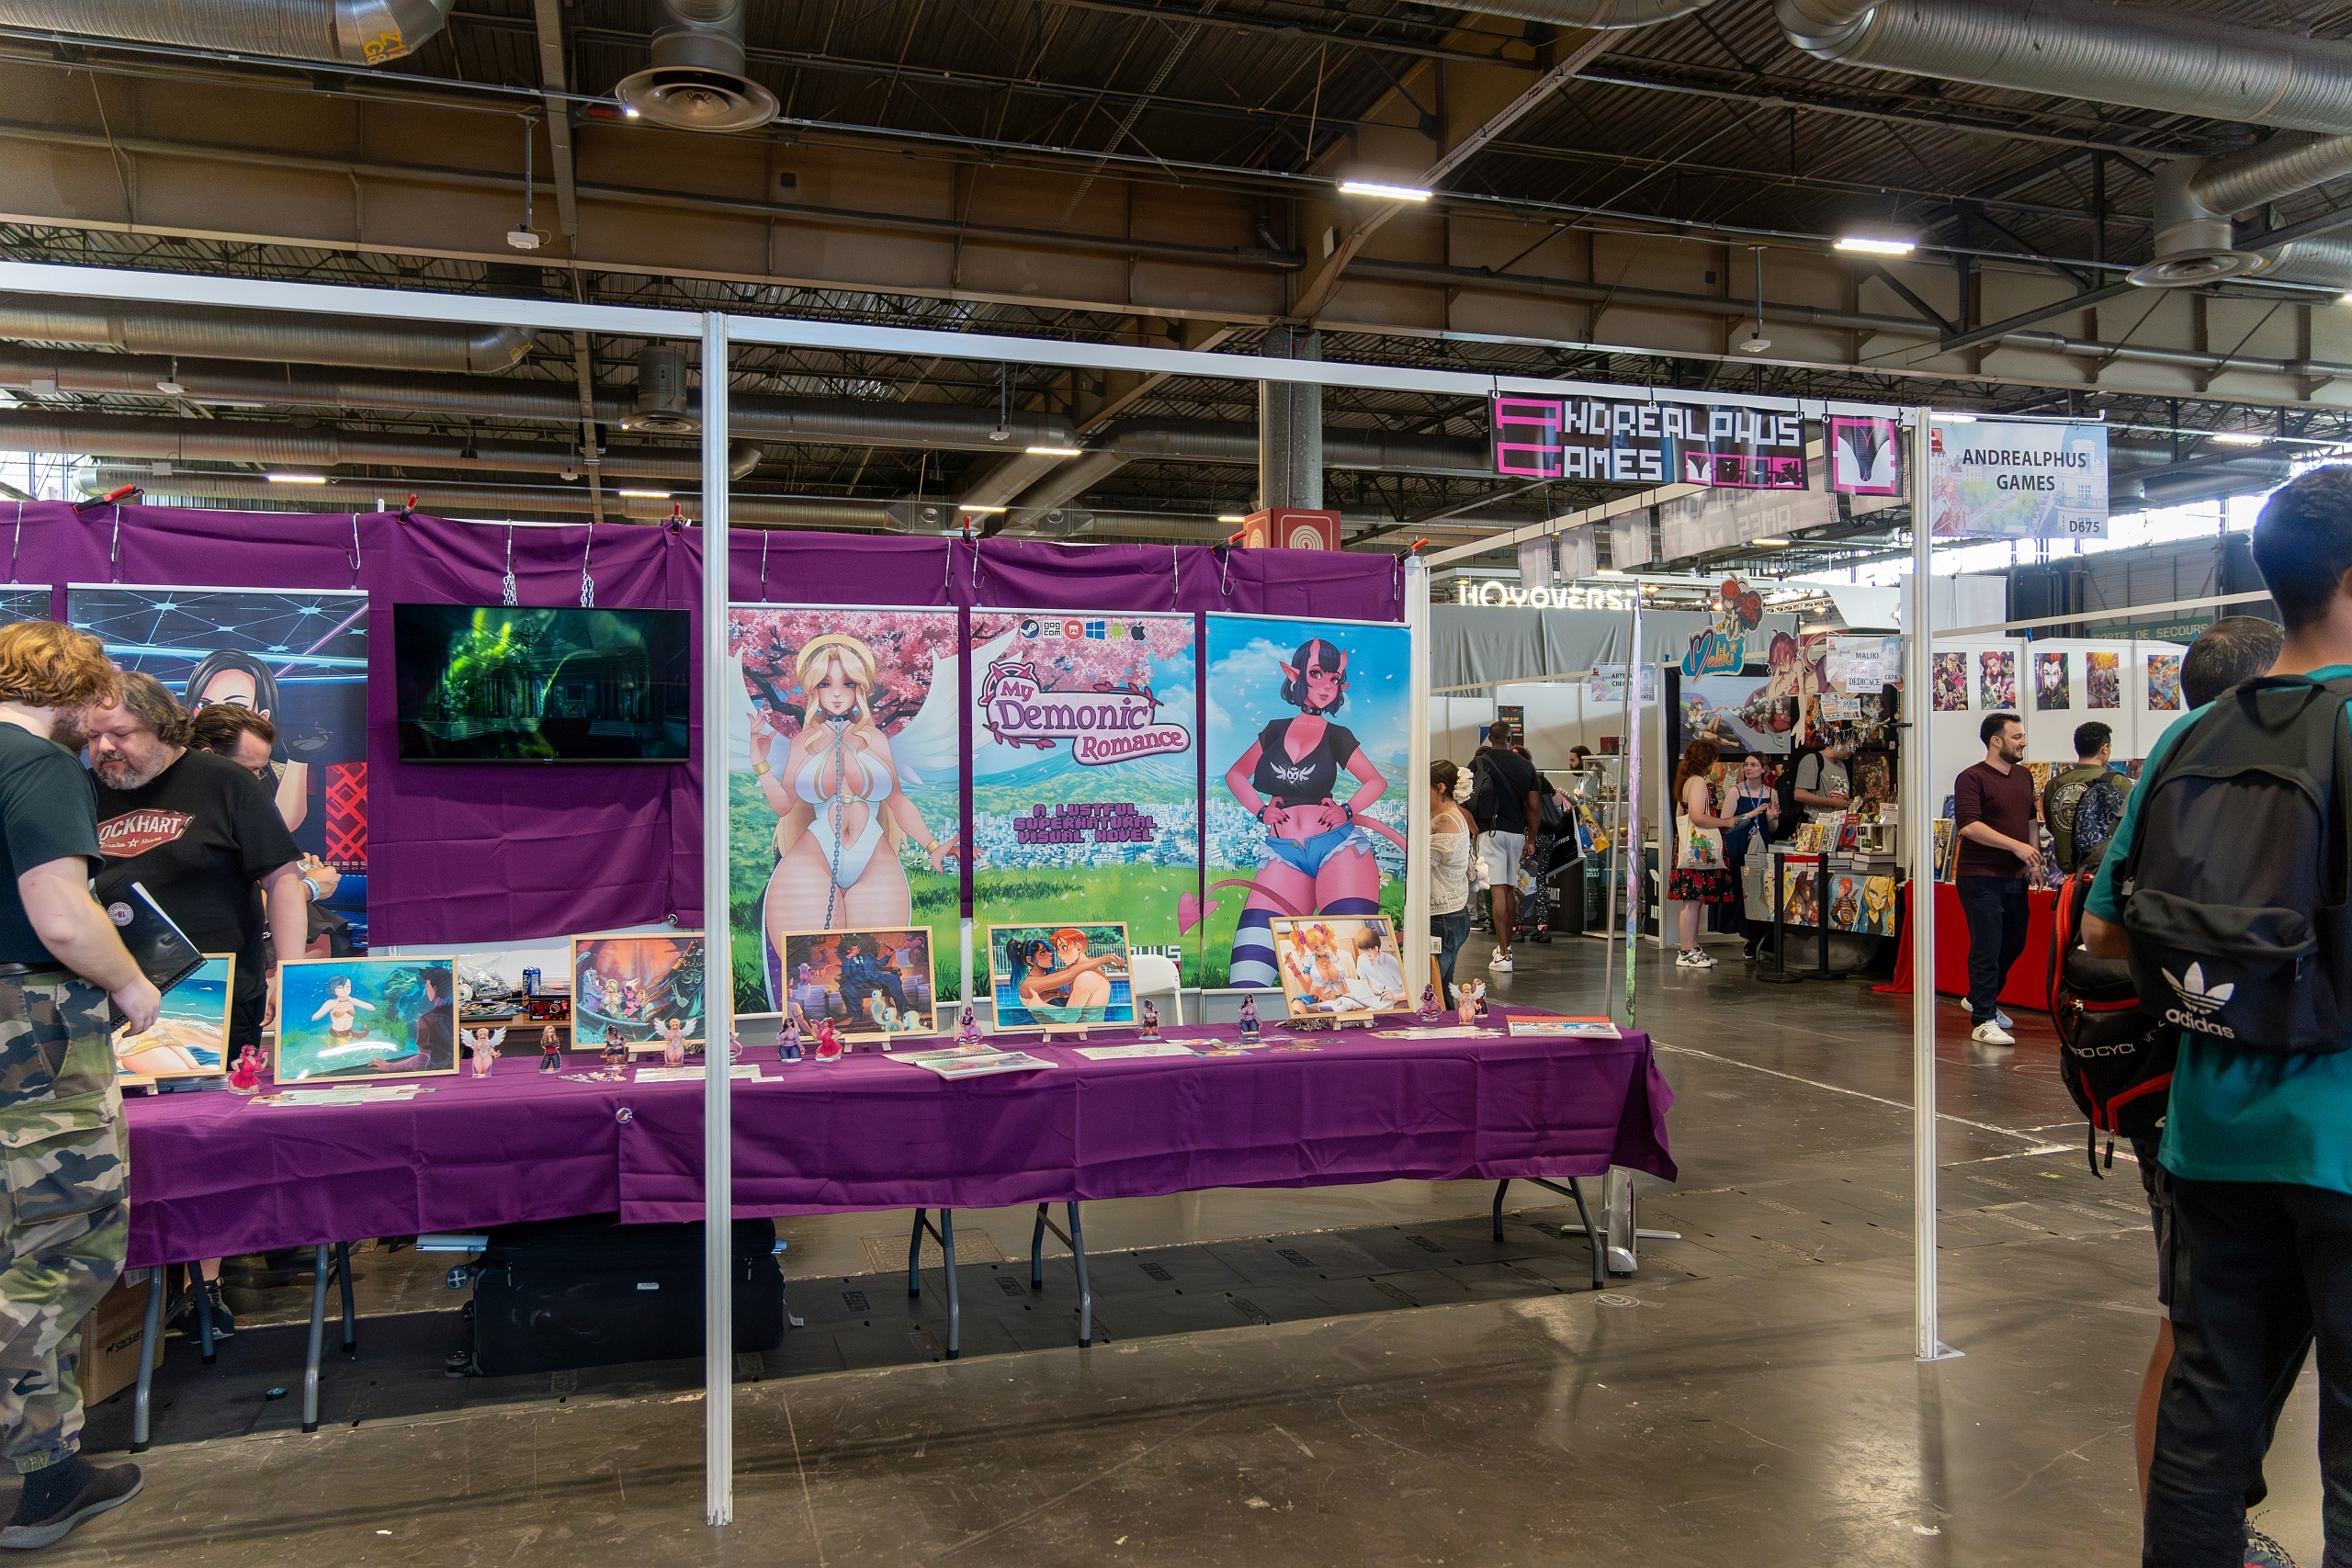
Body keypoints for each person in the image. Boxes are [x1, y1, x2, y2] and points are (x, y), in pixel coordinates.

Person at [2086, 469, 2352, 1568]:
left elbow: (2101, 932)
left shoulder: (2187, 739)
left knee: (2207, 1417)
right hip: (2341, 1138)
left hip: (2212, 1135)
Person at [2114, 610, 2295, 1548]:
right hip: (2283, 1109)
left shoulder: (2176, 755)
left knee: (2193, 1344)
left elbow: (2102, 924)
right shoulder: (2303, 738)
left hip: (2189, 1102)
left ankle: (2190, 1531)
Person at [0, 621, 156, 1548]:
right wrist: (131, 983)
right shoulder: (37, 763)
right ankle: (41, 1479)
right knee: (62, 1249)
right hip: (35, 1029)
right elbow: (62, 915)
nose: (100, 726)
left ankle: (43, 1468)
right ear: (69, 690)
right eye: (96, 703)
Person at [82, 674, 308, 1061]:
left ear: (162, 728)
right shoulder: (80, 789)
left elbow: (282, 881)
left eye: (120, 734)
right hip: (108, 990)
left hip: (215, 994)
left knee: (216, 1098)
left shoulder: (228, 781)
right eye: (92, 736)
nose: (104, 747)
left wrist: (290, 977)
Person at [749, 633, 956, 1004]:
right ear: (813, 688)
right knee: (811, 974)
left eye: (847, 683)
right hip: (812, 857)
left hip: (873, 857)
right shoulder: (803, 743)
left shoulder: (876, 740)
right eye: (825, 684)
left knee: (877, 970)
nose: (836, 694)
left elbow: (897, 800)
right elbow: (783, 806)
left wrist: (932, 845)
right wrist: (759, 761)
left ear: (859, 687)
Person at [1221, 637, 1392, 989]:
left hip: (1338, 849)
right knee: (1247, 978)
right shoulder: (1275, 729)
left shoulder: (1338, 735)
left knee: (1351, 973)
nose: (1327, 686)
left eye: (1335, 679)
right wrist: (1259, 810)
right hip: (1284, 854)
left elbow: (1376, 781)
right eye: (1317, 674)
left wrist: (1347, 810)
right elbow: (1235, 775)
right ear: (1294, 674)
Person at [192, 704, 348, 956]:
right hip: (210, 949)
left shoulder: (247, 800)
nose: (256, 780)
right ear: (209, 757)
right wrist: (308, 888)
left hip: (246, 939)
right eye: (249, 770)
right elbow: (210, 908)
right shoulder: (186, 814)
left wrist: (294, 871)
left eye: (261, 770)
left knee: (323, 934)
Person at [1951, 712, 2038, 1046]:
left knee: (2014, 944)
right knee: (1986, 947)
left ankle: (1979, 998)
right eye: (2017, 737)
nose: (2023, 742)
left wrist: (2033, 859)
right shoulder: (1971, 778)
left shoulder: (2024, 776)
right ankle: (1983, 1019)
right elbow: (1969, 826)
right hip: (1980, 876)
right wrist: (2016, 846)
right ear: (1996, 741)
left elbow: (2030, 820)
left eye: (2022, 736)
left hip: (2015, 877)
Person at [1467, 719, 1542, 974]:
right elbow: (1534, 807)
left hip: (1491, 832)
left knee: (1497, 891)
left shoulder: (1478, 763)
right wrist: (1531, 839)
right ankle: (1506, 947)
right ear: (1511, 738)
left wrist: (1474, 828)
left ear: (1490, 737)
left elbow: (1464, 799)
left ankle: (1503, 954)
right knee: (1509, 891)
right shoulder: (1526, 766)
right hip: (1517, 834)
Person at [1667, 739, 1747, 969]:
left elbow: (1681, 815)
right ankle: (1687, 950)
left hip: (1689, 846)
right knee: (1693, 901)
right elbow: (1697, 816)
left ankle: (1692, 947)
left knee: (1694, 899)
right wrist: (1726, 822)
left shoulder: (1685, 781)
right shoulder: (1698, 782)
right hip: (1698, 848)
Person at [2042, 721, 2134, 874]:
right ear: (2105, 748)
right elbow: (2129, 827)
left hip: (2068, 875)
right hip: (2103, 871)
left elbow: (2051, 826)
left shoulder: (2054, 784)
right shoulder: (2117, 782)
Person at [1723, 752, 1781, 960]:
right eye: (1746, 764)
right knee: (1742, 892)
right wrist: (1750, 815)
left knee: (1762, 891)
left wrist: (1770, 818)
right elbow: (1725, 823)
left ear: (1764, 769)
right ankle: (1748, 939)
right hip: (1739, 845)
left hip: (1761, 845)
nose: (1748, 768)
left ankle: (1762, 937)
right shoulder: (1736, 791)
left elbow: (1773, 828)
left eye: (1754, 765)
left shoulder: (1772, 793)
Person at [1429, 761, 1473, 1006]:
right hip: (1454, 913)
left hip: (1442, 917)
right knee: (1443, 987)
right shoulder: (1457, 816)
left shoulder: (1443, 821)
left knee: (1430, 988)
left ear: (1440, 788)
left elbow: (1421, 865)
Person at [835, 935, 911, 1026]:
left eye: (859, 947)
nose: (859, 949)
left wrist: (888, 955)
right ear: (849, 950)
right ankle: (857, 1014)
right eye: (855, 948)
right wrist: (849, 958)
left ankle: (903, 1007)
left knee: (893, 978)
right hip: (858, 981)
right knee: (848, 986)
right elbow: (846, 973)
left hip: (874, 977)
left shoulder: (868, 956)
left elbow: (880, 963)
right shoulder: (847, 960)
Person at [1792, 735, 1854, 818]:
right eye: (1850, 747)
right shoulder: (1812, 759)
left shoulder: (1841, 765)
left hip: (1838, 821)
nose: (1853, 751)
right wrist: (1832, 802)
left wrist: (1855, 802)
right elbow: (1799, 795)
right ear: (1838, 742)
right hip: (1817, 822)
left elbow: (1837, 796)